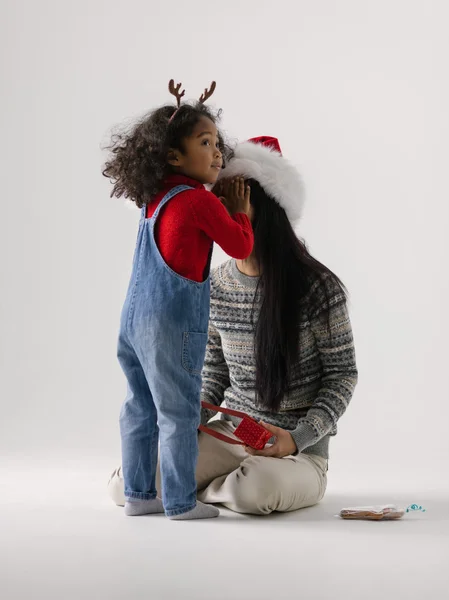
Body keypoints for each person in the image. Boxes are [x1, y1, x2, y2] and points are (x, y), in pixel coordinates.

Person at [108, 135, 358, 515]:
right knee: (127, 485)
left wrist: (296, 439)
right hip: (230, 434)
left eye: (232, 202)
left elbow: (342, 375)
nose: (218, 213)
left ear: (266, 210)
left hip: (297, 452)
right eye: (215, 202)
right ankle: (200, 490)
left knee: (252, 491)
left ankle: (210, 488)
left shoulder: (318, 288)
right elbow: (212, 372)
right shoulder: (215, 284)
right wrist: (188, 424)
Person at [102, 81, 253, 520]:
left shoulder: (154, 200)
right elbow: (241, 247)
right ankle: (182, 503)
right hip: (172, 324)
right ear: (174, 156)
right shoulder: (198, 202)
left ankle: (138, 494)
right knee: (179, 412)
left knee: (139, 407)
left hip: (133, 321)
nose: (218, 153)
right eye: (205, 143)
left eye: (217, 144)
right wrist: (239, 213)